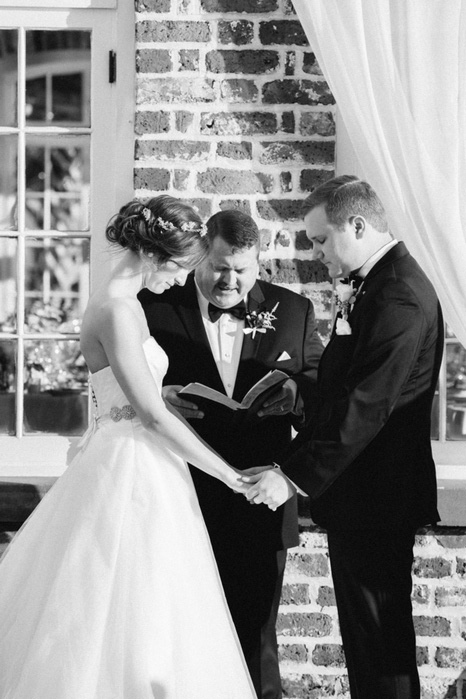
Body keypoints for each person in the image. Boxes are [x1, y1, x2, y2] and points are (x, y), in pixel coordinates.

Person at [0, 195, 258, 699]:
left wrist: (158, 392)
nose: (183, 281)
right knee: (132, 604)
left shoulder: (117, 304)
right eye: (183, 268)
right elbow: (150, 417)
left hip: (131, 455)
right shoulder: (119, 311)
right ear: (155, 255)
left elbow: (128, 394)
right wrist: (229, 475)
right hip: (130, 469)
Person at [243, 176, 443, 699]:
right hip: (363, 497)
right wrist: (300, 401)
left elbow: (369, 405)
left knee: (380, 645)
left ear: (356, 224)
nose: (317, 253)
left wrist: (291, 476)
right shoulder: (378, 283)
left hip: (379, 498)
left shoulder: (398, 294)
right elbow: (347, 384)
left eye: (321, 239)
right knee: (366, 642)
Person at [139, 209, 323, 699]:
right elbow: (114, 391)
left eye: (243, 270)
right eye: (220, 266)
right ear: (202, 254)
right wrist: (157, 396)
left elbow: (325, 402)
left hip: (259, 501)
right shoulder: (152, 306)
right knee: (174, 638)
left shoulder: (293, 311)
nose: (230, 280)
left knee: (257, 642)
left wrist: (297, 398)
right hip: (180, 498)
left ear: (259, 263)